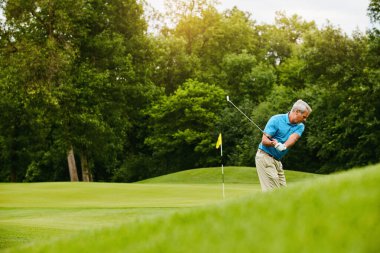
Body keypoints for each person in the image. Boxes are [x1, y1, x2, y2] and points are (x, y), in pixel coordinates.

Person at [255, 99, 312, 192]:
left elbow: (293, 138)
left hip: (277, 161)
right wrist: (273, 143)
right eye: (304, 116)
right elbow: (264, 140)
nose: (305, 120)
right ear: (297, 112)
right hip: (265, 157)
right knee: (273, 192)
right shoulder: (276, 120)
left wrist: (284, 146)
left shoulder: (300, 126)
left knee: (284, 193)